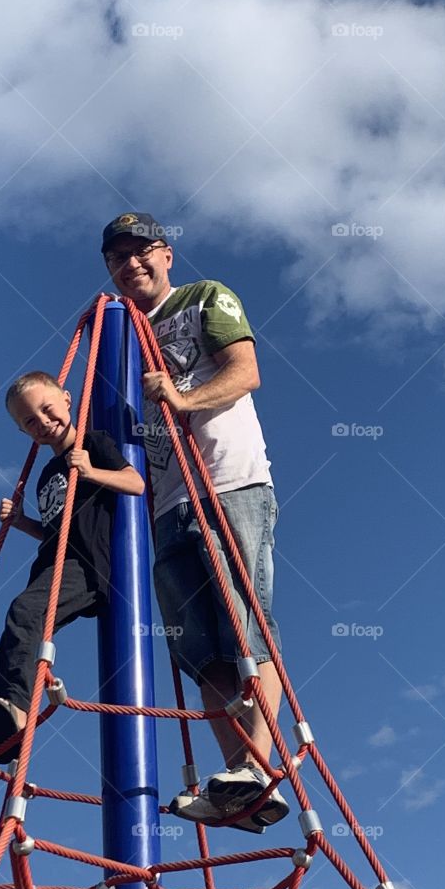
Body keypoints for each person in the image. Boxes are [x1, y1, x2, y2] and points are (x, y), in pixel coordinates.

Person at [100, 212, 288, 832]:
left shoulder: (205, 297)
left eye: (142, 250)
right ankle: (237, 782)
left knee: (245, 625)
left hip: (227, 481)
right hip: (166, 503)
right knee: (198, 650)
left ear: (167, 254)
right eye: (118, 257)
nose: (132, 264)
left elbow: (245, 372)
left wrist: (182, 399)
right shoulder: (121, 335)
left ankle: (260, 767)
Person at [0, 371, 144, 761]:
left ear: (67, 400)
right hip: (54, 563)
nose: (43, 422)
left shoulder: (93, 443)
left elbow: (134, 483)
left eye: (47, 409)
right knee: (19, 622)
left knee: (24, 612)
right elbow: (57, 532)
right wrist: (21, 522)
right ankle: (2, 726)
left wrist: (90, 471)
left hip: (86, 567)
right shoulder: (47, 474)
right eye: (30, 421)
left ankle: (17, 711)